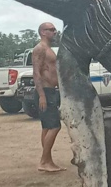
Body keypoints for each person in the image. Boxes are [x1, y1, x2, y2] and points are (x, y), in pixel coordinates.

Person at [33, 22, 66, 172]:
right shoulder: (40, 49)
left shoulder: (48, 49)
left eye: (54, 29)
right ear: (43, 32)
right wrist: (42, 96)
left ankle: (48, 161)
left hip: (51, 91)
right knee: (55, 126)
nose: (54, 32)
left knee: (47, 127)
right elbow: (36, 73)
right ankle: (43, 161)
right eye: (51, 30)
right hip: (45, 92)